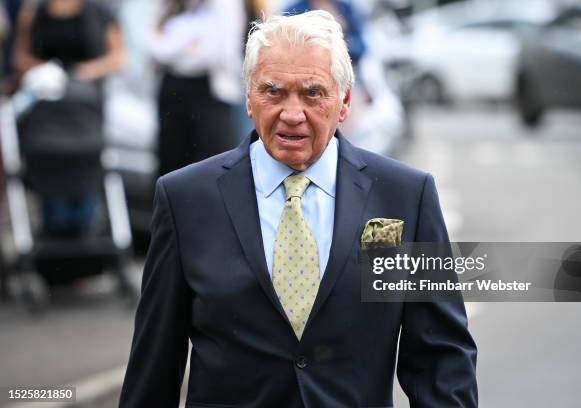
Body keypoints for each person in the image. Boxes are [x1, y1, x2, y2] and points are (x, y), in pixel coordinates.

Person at [120, 10, 477, 407]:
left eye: (312, 93)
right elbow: (155, 365)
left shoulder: (406, 197)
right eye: (273, 91)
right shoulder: (185, 198)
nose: (292, 114)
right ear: (248, 98)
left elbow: (441, 360)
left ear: (343, 102)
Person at [13, 0, 124, 234]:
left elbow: (117, 57)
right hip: (46, 114)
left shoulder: (99, 12)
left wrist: (84, 72)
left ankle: (83, 235)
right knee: (51, 181)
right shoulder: (34, 12)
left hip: (85, 112)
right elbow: (21, 58)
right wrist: (48, 72)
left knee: (83, 178)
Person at [147, 0, 245, 177]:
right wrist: (184, 47)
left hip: (211, 93)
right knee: (170, 160)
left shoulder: (225, 5)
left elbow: (215, 52)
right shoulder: (169, 5)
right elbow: (153, 47)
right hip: (172, 90)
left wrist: (174, 48)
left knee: (211, 163)